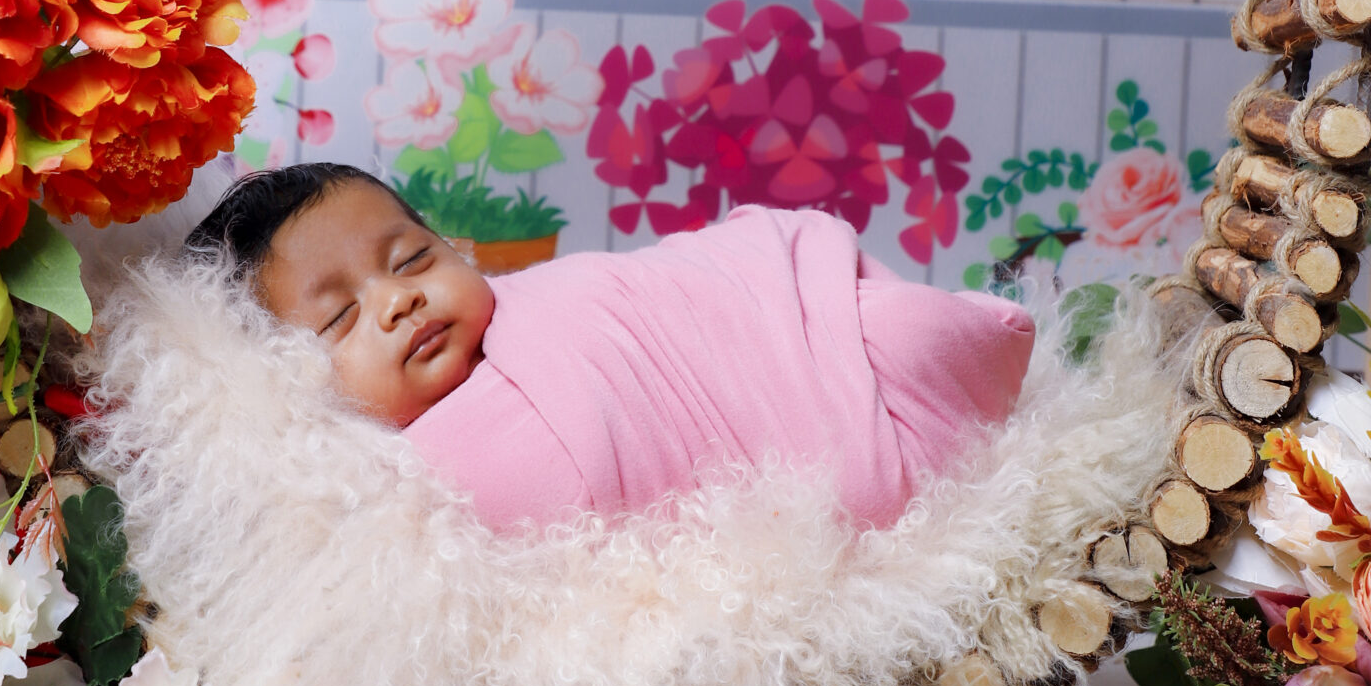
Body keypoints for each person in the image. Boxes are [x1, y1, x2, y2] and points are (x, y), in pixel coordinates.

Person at [186, 163, 1035, 535]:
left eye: (411, 259)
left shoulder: (545, 299)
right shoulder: (400, 484)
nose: (398, 299)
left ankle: (924, 346)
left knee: (905, 331)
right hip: (808, 454)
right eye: (340, 318)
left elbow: (682, 288)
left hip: (792, 331)